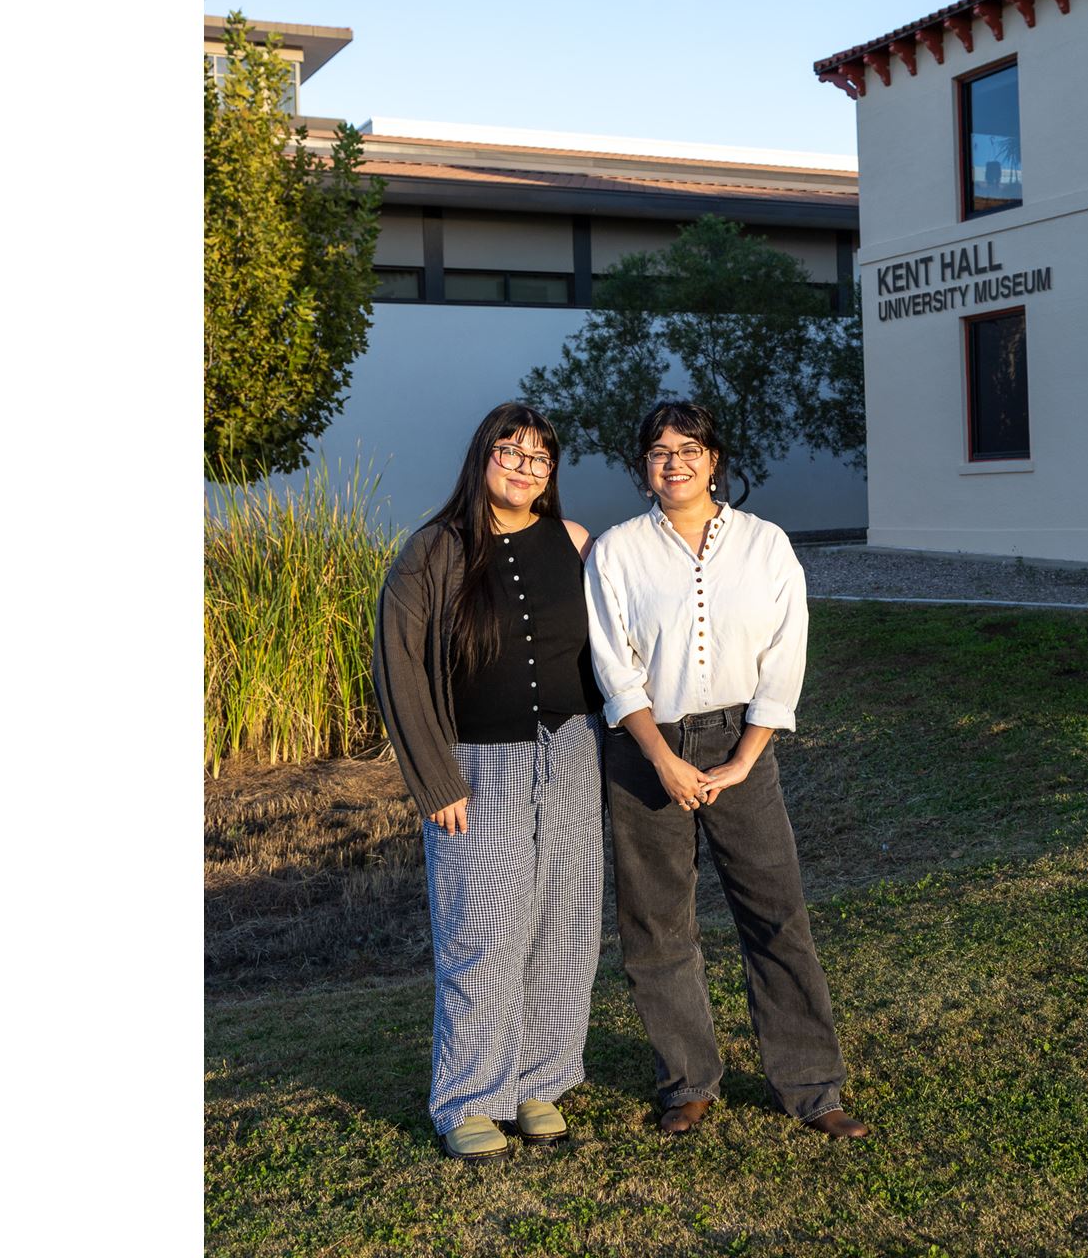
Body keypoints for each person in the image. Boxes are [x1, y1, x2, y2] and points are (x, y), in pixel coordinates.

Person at [584, 400, 870, 1140]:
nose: (673, 461)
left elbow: (786, 653)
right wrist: (662, 759)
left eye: (689, 448)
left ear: (715, 460)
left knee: (776, 915)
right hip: (646, 751)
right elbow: (614, 665)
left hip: (741, 744)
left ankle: (812, 1086)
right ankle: (687, 1083)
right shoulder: (616, 552)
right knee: (656, 924)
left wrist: (744, 758)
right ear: (642, 469)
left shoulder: (766, 545)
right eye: (658, 451)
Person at [371, 402, 604, 1162]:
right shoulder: (433, 551)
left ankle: (540, 1082)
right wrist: (435, 780)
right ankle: (471, 1096)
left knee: (564, 926)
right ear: (483, 456)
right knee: (484, 930)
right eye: (512, 451)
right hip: (476, 762)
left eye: (541, 458)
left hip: (570, 752)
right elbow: (398, 667)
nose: (525, 467)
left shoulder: (575, 544)